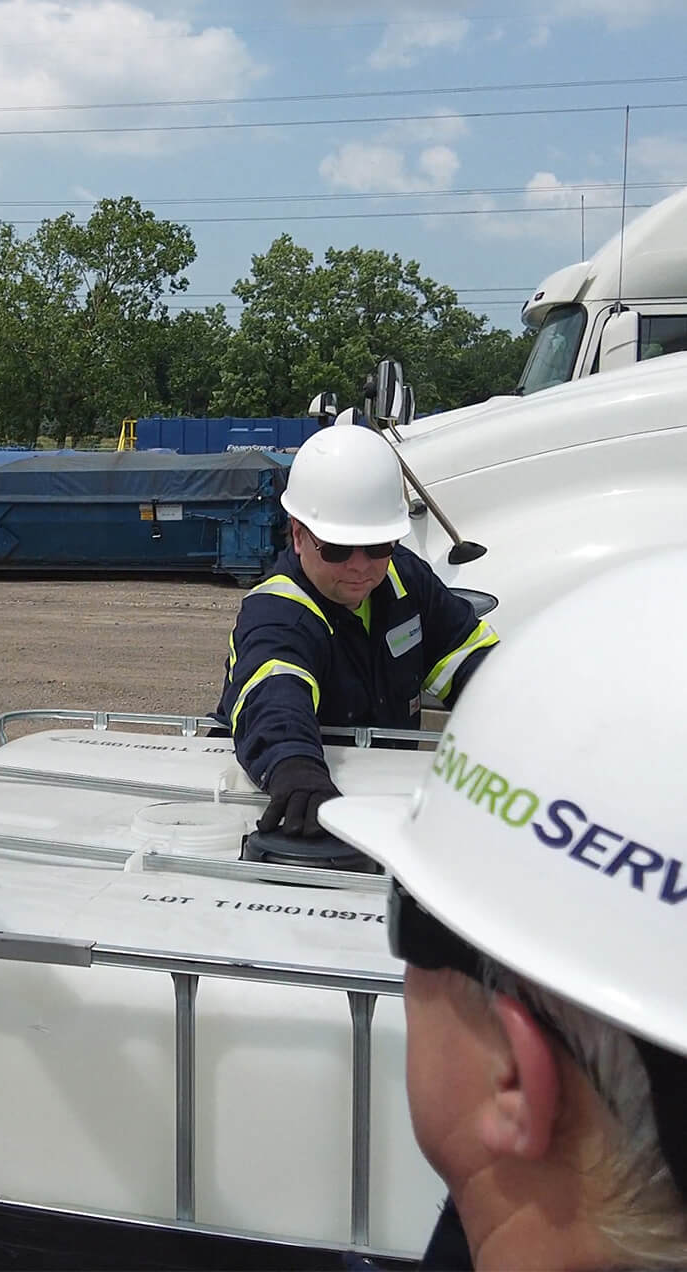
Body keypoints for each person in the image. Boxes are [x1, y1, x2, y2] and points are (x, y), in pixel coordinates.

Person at [322, 549, 687, 1270]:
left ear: (515, 1078)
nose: (362, 562)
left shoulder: (407, 587)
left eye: (415, 913)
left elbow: (463, 649)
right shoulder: (284, 609)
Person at [215, 423, 497, 836]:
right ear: (298, 535)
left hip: (386, 796)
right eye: (338, 549)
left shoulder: (404, 579)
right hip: (290, 792)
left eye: (379, 545)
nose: (360, 566)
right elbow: (274, 691)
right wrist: (294, 766)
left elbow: (470, 657)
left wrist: (528, 712)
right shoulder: (277, 611)